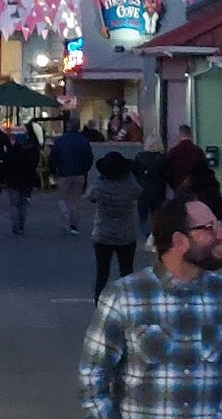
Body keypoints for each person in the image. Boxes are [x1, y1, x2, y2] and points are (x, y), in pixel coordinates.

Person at [79, 195, 222, 418]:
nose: (221, 235)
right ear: (179, 241)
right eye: (209, 228)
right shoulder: (124, 297)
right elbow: (93, 378)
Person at [86, 152, 142, 303]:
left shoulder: (100, 185)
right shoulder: (129, 185)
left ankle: (99, 302)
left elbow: (89, 196)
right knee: (126, 272)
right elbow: (139, 191)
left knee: (102, 272)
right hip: (125, 234)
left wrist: (101, 178)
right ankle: (128, 302)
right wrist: (128, 176)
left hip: (103, 234)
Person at [50, 117, 94, 235]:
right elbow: (89, 158)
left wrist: (54, 170)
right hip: (79, 173)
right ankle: (74, 225)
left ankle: (65, 221)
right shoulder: (83, 140)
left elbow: (53, 157)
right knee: (75, 200)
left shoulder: (61, 141)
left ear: (68, 126)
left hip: (64, 173)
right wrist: (84, 170)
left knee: (63, 199)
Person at [3, 132, 41, 234]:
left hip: (13, 181)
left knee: (14, 203)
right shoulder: (30, 152)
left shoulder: (10, 152)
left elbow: (5, 167)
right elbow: (33, 165)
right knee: (23, 203)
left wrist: (5, 179)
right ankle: (21, 224)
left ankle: (16, 224)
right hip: (26, 181)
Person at [131, 137, 167, 238]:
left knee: (143, 216)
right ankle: (156, 234)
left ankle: (147, 235)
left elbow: (134, 172)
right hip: (159, 190)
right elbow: (166, 174)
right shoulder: (162, 158)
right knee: (156, 214)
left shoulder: (139, 156)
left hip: (143, 190)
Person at [164, 124, 207, 192]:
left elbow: (167, 170)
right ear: (190, 135)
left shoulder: (173, 152)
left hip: (178, 186)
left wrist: (173, 185)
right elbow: (204, 170)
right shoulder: (198, 151)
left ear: (179, 135)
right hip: (195, 186)